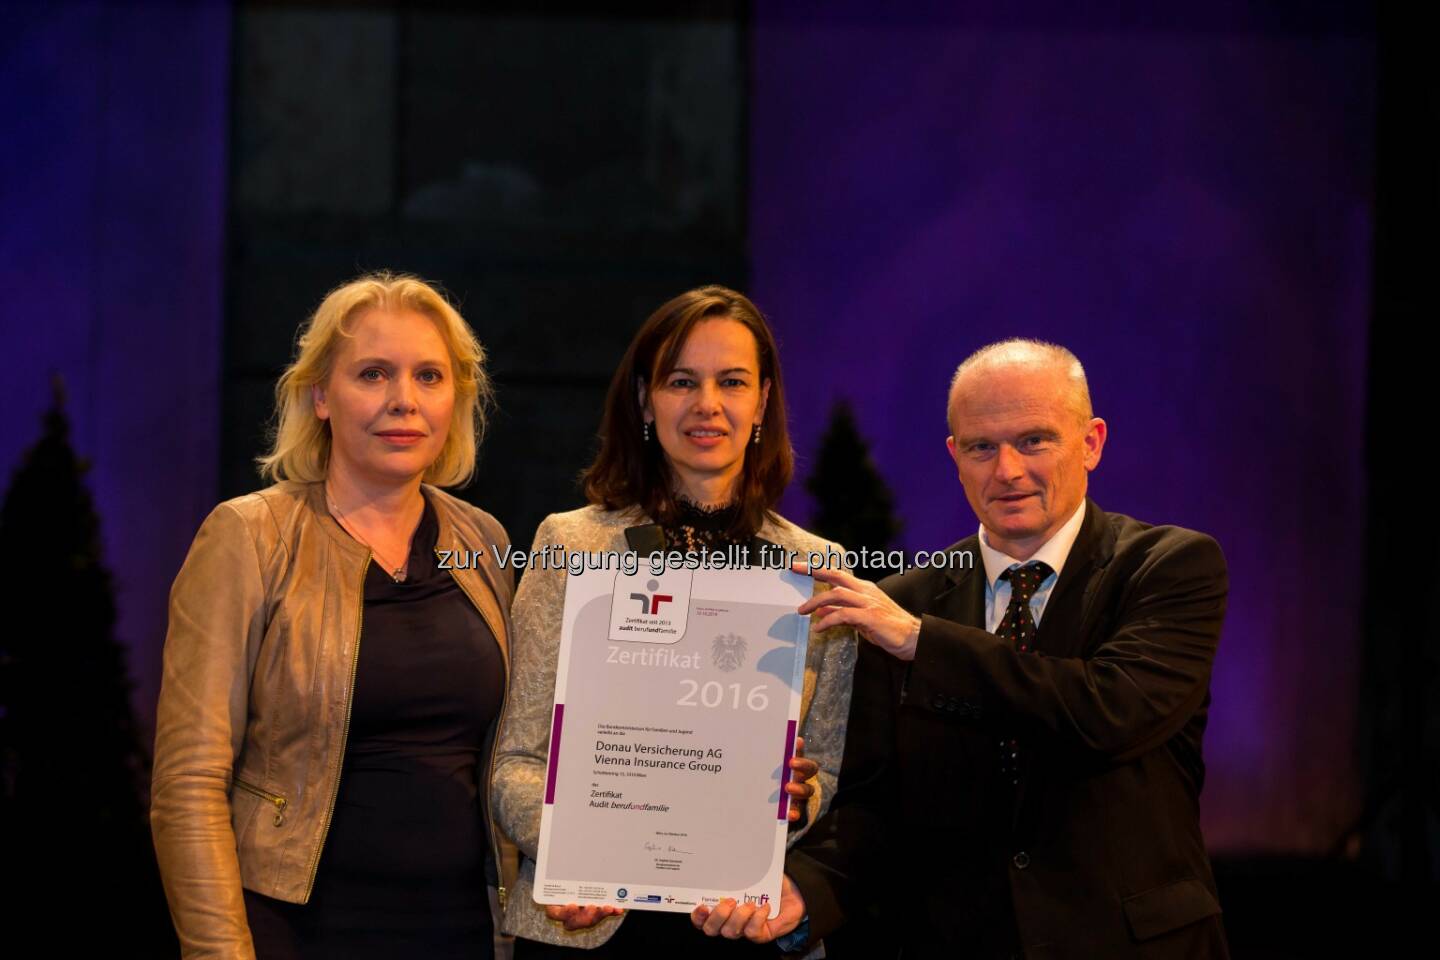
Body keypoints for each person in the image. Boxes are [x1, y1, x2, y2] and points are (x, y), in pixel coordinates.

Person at [696, 338, 1231, 957]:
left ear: (1091, 443)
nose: (1007, 470)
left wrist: (922, 643)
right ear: (955, 456)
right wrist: (806, 893)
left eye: (1034, 440)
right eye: (981, 447)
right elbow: (872, 805)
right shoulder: (902, 600)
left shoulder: (1169, 567)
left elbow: (1108, 712)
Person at [150, 273, 518, 960]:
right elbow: (188, 784)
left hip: (460, 932)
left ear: (455, 400)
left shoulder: (487, 543)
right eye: (373, 374)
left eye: (430, 376)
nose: (403, 401)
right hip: (291, 933)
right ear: (321, 395)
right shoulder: (248, 536)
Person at [491, 285, 857, 956]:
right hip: (587, 923)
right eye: (680, 381)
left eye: (732, 382)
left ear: (763, 402)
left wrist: (794, 804)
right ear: (643, 400)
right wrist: (579, 851)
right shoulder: (570, 547)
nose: (706, 405)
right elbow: (514, 760)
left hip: (740, 926)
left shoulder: (817, 568)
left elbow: (825, 772)